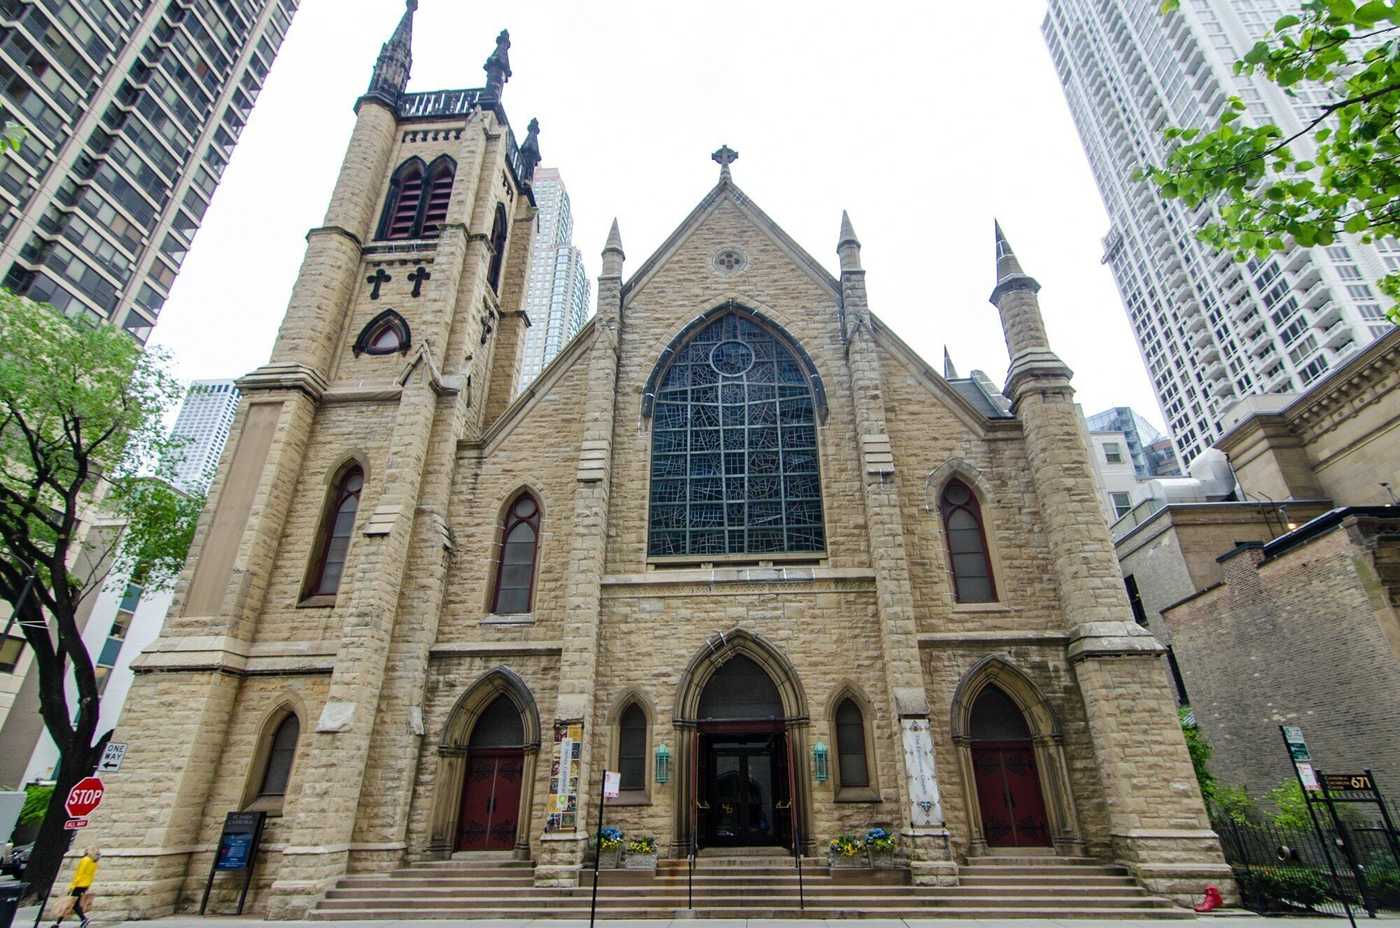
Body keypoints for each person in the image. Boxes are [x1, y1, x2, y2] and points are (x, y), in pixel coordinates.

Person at [53, 847, 100, 928]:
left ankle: (83, 919)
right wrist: (88, 886)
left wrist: (72, 886)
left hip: (78, 885)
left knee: (69, 904)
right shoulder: (94, 862)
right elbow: (91, 875)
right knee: (73, 904)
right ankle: (58, 923)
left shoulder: (85, 860)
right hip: (85, 885)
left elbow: (79, 874)